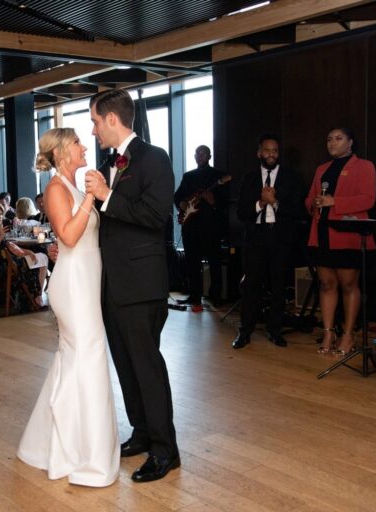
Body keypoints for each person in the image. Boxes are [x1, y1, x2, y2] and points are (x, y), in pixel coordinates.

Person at [83, 89, 178, 483]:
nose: (92, 130)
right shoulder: (109, 163)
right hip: (113, 284)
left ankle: (165, 451)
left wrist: (106, 196)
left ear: (111, 119)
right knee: (125, 365)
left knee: (147, 367)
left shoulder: (155, 158)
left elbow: (156, 217)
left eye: (93, 121)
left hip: (142, 284)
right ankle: (141, 432)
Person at [18, 128, 119, 487]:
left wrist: (89, 197)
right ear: (62, 152)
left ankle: (59, 443)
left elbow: (69, 239)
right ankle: (85, 455)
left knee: (79, 359)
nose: (84, 145)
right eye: (77, 142)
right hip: (74, 286)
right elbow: (71, 235)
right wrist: (92, 198)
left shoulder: (74, 187)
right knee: (87, 356)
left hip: (87, 280)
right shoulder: (56, 189)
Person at [305, 127, 376, 355]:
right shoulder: (321, 169)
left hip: (347, 234)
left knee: (348, 284)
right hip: (322, 233)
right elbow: (309, 199)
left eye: (338, 138)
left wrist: (334, 202)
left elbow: (368, 199)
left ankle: (348, 334)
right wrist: (313, 203)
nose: (332, 143)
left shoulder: (364, 166)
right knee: (326, 284)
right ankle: (328, 332)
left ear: (351, 142)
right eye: (329, 139)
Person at [234, 133, 304, 349]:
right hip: (256, 238)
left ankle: (275, 331)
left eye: (275, 151)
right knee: (251, 286)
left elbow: (298, 211)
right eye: (267, 150)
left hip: (280, 238)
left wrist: (275, 203)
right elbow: (241, 212)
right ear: (259, 153)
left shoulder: (291, 177)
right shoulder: (250, 178)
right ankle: (245, 332)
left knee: (278, 286)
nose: (271, 154)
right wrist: (260, 203)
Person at [174, 144, 231, 305]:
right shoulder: (188, 176)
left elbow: (224, 202)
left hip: (210, 226)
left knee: (214, 262)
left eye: (203, 153)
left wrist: (213, 202)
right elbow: (177, 196)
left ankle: (215, 296)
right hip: (190, 226)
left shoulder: (218, 176)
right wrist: (183, 204)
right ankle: (194, 295)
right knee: (192, 263)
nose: (199, 156)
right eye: (197, 154)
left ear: (209, 156)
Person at [0, 203, 46, 309]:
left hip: (9, 263)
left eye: (1, 214)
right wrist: (0, 237)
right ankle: (37, 296)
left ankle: (37, 295)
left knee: (42, 257)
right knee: (42, 258)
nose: (0, 217)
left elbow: (10, 246)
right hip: (1, 268)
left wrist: (27, 251)